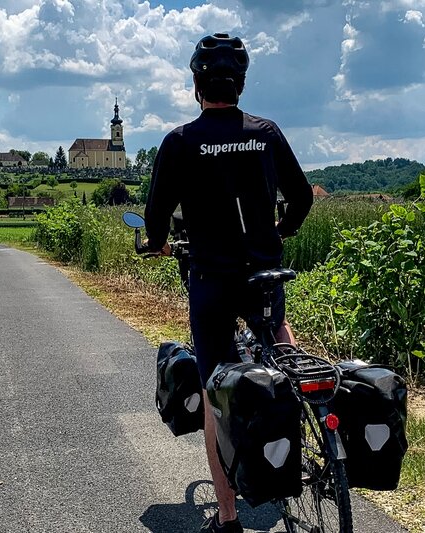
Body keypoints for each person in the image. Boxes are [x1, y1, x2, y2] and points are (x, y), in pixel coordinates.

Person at [143, 33, 313, 533]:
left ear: (197, 84)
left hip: (212, 279)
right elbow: (300, 197)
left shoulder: (179, 141)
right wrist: (280, 230)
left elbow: (155, 217)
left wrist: (156, 241)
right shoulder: (267, 132)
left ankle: (230, 515)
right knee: (280, 338)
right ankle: (304, 421)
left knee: (213, 387)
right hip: (263, 272)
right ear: (240, 84)